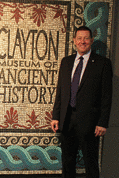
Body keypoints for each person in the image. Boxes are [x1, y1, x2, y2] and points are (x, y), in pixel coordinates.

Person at [51, 26, 113, 178]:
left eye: (86, 38)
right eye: (79, 38)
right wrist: (55, 116)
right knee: (67, 162)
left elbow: (106, 96)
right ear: (74, 41)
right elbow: (60, 91)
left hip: (90, 123)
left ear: (91, 41)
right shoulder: (66, 62)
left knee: (90, 163)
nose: (82, 41)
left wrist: (102, 122)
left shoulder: (102, 63)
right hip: (67, 119)